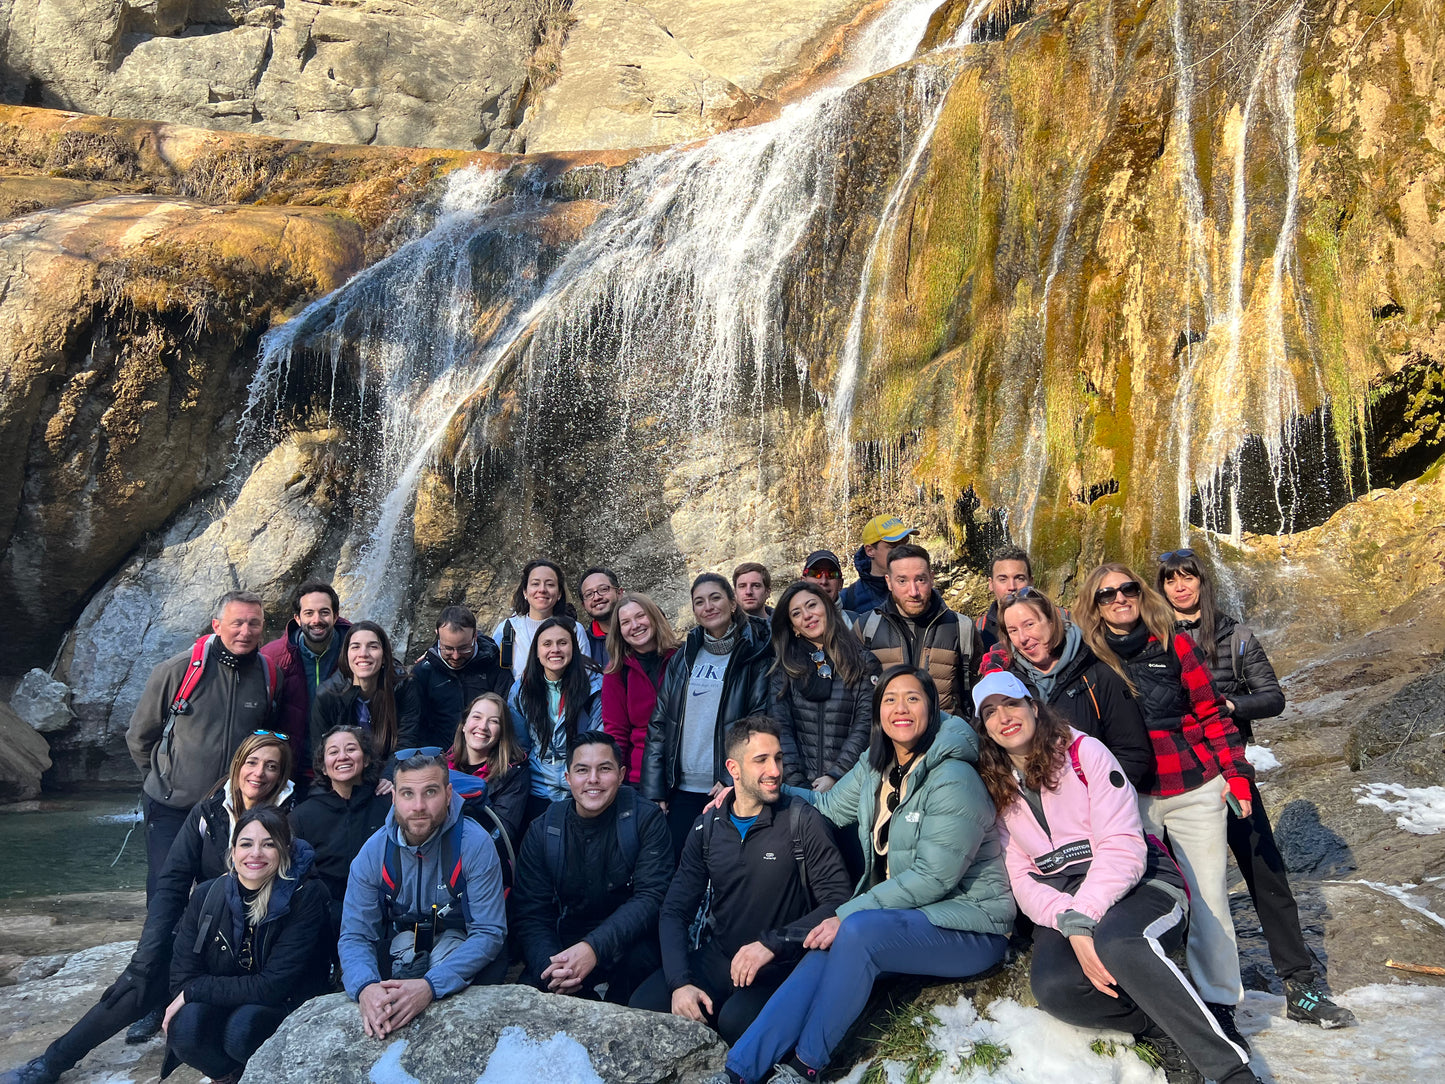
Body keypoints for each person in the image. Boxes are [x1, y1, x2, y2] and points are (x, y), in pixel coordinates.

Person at [703, 666, 1013, 1084]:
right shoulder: (875, 766)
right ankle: (739, 1070)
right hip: (900, 919)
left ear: (932, 710)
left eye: (912, 698)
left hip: (972, 927)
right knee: (821, 949)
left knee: (853, 931)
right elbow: (828, 806)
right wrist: (755, 789)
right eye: (889, 699)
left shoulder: (953, 777)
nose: (900, 708)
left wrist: (847, 913)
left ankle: (804, 1067)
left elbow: (933, 878)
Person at [972, 671, 1258, 1084]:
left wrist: (1083, 918)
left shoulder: (1084, 754)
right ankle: (1166, 1028)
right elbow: (1020, 874)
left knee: (1121, 943)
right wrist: (1069, 920)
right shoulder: (997, 785)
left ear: (1033, 707)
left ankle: (1231, 1071)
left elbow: (1123, 844)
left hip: (1140, 883)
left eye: (1012, 704)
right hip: (1065, 902)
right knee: (1055, 988)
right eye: (990, 713)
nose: (1004, 717)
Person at [0, 734, 296, 1082]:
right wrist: (147, 953)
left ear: (281, 775)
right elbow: (172, 882)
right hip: (205, 937)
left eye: (270, 766)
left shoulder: (292, 816)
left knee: (224, 1020)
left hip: (259, 946)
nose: (259, 773)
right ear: (237, 765)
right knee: (136, 981)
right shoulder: (209, 811)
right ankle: (50, 1064)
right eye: (251, 762)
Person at [1159, 548, 1355, 1028]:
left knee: (1265, 875)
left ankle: (1301, 985)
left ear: (1204, 582)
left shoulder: (1234, 635)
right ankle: (1183, 993)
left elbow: (1273, 697)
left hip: (1229, 772)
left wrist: (1227, 708)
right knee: (1177, 887)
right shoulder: (1154, 640)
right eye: (1170, 581)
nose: (1180, 587)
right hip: (1178, 779)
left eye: (1188, 578)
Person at [1074, 562, 1254, 1049]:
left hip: (1194, 786)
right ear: (1094, 605)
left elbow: (1211, 711)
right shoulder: (1089, 655)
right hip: (1130, 796)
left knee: (1210, 897)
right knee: (1137, 901)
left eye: (1127, 589)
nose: (1118, 599)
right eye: (1106, 594)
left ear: (1140, 593)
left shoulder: (1174, 641)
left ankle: (1219, 1004)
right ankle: (1158, 1001)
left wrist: (1236, 774)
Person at [630, 717, 852, 1042]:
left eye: (778, 758)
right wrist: (679, 983)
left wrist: (772, 943)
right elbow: (675, 910)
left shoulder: (802, 820)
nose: (775, 770)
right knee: (645, 1003)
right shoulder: (707, 827)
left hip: (781, 964)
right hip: (721, 956)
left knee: (736, 1023)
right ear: (733, 769)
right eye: (761, 760)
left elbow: (839, 903)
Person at [338, 750, 507, 1038]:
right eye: (407, 794)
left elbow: (489, 932)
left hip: (461, 942)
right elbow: (355, 934)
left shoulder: (474, 844)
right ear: (393, 797)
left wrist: (430, 985)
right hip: (402, 943)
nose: (418, 806)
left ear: (449, 792)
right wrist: (365, 987)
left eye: (430, 792)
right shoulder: (373, 853)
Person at [126, 591, 278, 900]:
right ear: (217, 625)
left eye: (254, 624)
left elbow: (267, 741)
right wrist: (165, 777)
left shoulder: (269, 675)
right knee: (166, 889)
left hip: (228, 808)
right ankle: (159, 949)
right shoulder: (177, 670)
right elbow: (140, 735)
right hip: (171, 805)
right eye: (237, 623)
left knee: (221, 890)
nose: (245, 632)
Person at [162, 807, 330, 1084]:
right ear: (233, 851)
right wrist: (191, 991)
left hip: (283, 1003)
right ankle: (229, 1077)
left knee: (242, 1029)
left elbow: (272, 986)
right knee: (186, 1029)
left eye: (268, 845)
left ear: (285, 850)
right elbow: (181, 977)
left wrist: (197, 989)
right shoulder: (206, 895)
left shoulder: (305, 897)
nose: (255, 854)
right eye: (246, 844)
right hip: (230, 998)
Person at [510, 733, 672, 1002]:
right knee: (533, 996)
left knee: (639, 988)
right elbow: (531, 912)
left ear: (621, 775)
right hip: (566, 941)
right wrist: (553, 970)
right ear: (568, 777)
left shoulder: (646, 820)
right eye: (582, 770)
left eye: (604, 769)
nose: (593, 779)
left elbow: (652, 897)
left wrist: (593, 949)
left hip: (630, 940)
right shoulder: (545, 829)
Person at [641, 573, 772, 857]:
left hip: (728, 788)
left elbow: (758, 722)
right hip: (681, 789)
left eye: (715, 598)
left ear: (732, 603)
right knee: (681, 872)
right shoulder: (684, 656)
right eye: (699, 602)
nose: (708, 607)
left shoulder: (755, 655)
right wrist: (655, 790)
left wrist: (730, 777)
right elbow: (660, 725)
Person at [978, 586, 1153, 789]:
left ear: (1052, 621)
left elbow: (1131, 752)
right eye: (1013, 631)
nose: (1023, 638)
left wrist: (1100, 801)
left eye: (1030, 625)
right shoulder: (1007, 683)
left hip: (1096, 802)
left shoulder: (1097, 674)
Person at [769, 580, 879, 791]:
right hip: (797, 791)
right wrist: (796, 783)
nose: (807, 615)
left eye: (812, 605)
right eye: (796, 613)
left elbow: (867, 725)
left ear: (827, 608)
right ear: (793, 627)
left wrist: (836, 775)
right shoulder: (784, 668)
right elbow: (779, 726)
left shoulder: (864, 662)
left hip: (851, 785)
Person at [289, 726, 392, 952]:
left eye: (351, 749)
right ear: (324, 767)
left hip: (384, 918)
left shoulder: (389, 806)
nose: (342, 756)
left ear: (365, 760)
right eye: (333, 752)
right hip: (324, 923)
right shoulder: (302, 817)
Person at [854, 543, 982, 717]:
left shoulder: (962, 627)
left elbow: (978, 693)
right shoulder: (866, 628)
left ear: (931, 578)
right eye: (902, 581)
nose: (913, 591)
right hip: (887, 737)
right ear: (889, 582)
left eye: (920, 580)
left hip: (945, 737)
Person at [508, 616, 604, 818]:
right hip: (537, 787)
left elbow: (598, 741)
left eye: (562, 643)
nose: (555, 650)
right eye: (547, 644)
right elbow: (520, 745)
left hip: (581, 787)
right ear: (536, 651)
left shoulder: (594, 687)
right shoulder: (522, 690)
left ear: (573, 648)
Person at [261, 580, 351, 792]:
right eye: (309, 613)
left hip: (344, 768)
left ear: (336, 616)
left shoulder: (356, 651)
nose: (317, 620)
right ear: (297, 618)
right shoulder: (272, 656)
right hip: (290, 770)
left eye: (324, 612)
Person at [399, 605, 511, 749]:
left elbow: (507, 716)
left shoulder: (495, 664)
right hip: (438, 755)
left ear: (475, 636)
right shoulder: (424, 671)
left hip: (487, 753)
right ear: (437, 635)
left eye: (464, 648)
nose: (456, 656)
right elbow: (412, 723)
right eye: (448, 648)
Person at [601, 592, 681, 783]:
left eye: (640, 616)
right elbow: (616, 731)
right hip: (641, 774)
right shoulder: (616, 672)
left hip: (686, 770)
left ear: (654, 617)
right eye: (626, 622)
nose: (635, 626)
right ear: (619, 631)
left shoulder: (683, 658)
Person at [309, 621, 411, 770]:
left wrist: (388, 778)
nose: (363, 654)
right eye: (355, 647)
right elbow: (320, 752)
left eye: (373, 646)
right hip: (344, 776)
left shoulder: (403, 687)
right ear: (346, 654)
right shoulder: (327, 695)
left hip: (393, 775)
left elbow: (406, 741)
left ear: (384, 656)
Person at [446, 692, 532, 854]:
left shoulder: (514, 773)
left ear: (502, 732)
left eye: (493, 721)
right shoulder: (440, 767)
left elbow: (504, 831)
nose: (483, 726)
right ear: (464, 724)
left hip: (483, 858)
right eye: (477, 717)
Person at [492, 559, 586, 681]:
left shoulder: (574, 629)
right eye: (535, 584)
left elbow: (584, 676)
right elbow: (494, 676)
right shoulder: (507, 629)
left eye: (550, 584)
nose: (542, 589)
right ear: (525, 591)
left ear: (559, 594)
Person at [838, 514, 916, 614]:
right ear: (870, 551)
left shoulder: (921, 590)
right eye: (894, 546)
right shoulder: (849, 599)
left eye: (904, 544)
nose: (902, 552)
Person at [975, 545, 1033, 650]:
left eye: (1019, 578)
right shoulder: (978, 631)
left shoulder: (1057, 622)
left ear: (1031, 582)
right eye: (1003, 579)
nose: (1012, 587)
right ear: (991, 584)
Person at [578, 566, 623, 668]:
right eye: (589, 594)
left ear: (619, 593)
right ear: (583, 605)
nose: (597, 597)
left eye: (603, 589)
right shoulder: (584, 645)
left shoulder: (638, 630)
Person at [800, 550, 854, 628]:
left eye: (832, 574)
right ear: (803, 581)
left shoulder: (857, 624)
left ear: (840, 584)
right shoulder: (788, 626)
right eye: (815, 573)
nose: (823, 581)